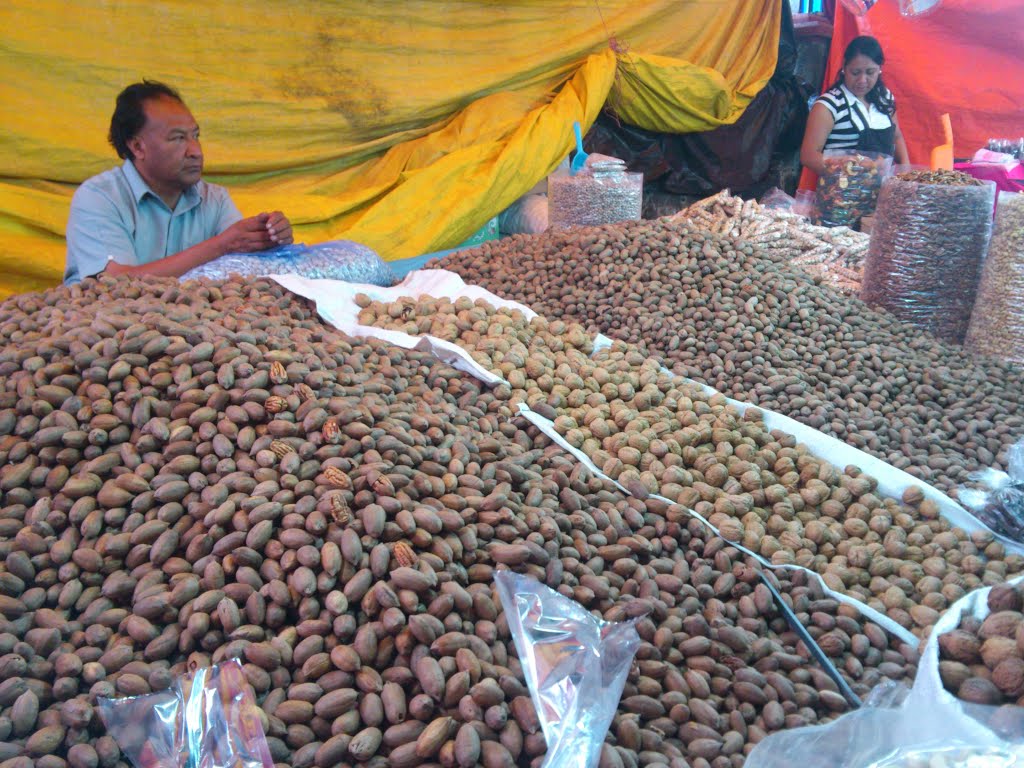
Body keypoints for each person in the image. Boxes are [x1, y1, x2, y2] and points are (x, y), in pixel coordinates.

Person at [64, 81, 293, 284]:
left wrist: (270, 237)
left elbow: (243, 263)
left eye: (196, 136)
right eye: (178, 138)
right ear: (137, 147)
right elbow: (115, 283)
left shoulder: (215, 199)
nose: (196, 151)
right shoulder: (100, 197)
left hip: (187, 326)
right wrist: (221, 245)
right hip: (107, 326)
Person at [800, 36, 909, 177]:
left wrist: (905, 173)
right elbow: (808, 155)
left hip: (884, 192)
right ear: (844, 67)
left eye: (870, 72)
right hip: (842, 192)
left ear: (880, 69)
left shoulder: (885, 98)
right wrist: (847, 169)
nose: (862, 80)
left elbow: (897, 136)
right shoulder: (828, 106)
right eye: (855, 72)